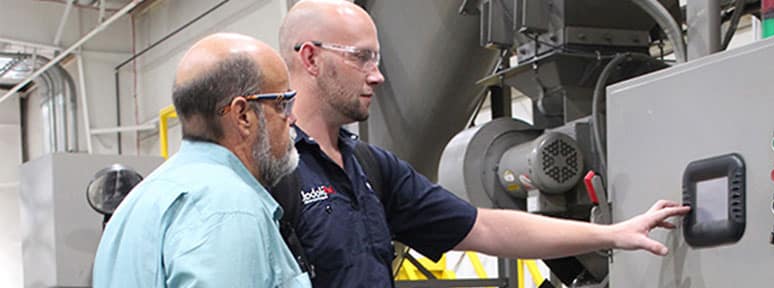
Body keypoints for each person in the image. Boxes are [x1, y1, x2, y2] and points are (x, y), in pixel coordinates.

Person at [276, 1, 691, 287]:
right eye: (360, 58)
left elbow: (487, 227)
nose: (377, 76)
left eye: (378, 60)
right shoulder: (267, 169)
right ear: (311, 58)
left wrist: (613, 234)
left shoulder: (370, 167)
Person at [92, 33, 310, 288]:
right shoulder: (228, 208)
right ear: (242, 115)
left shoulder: (136, 204)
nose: (292, 118)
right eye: (283, 103)